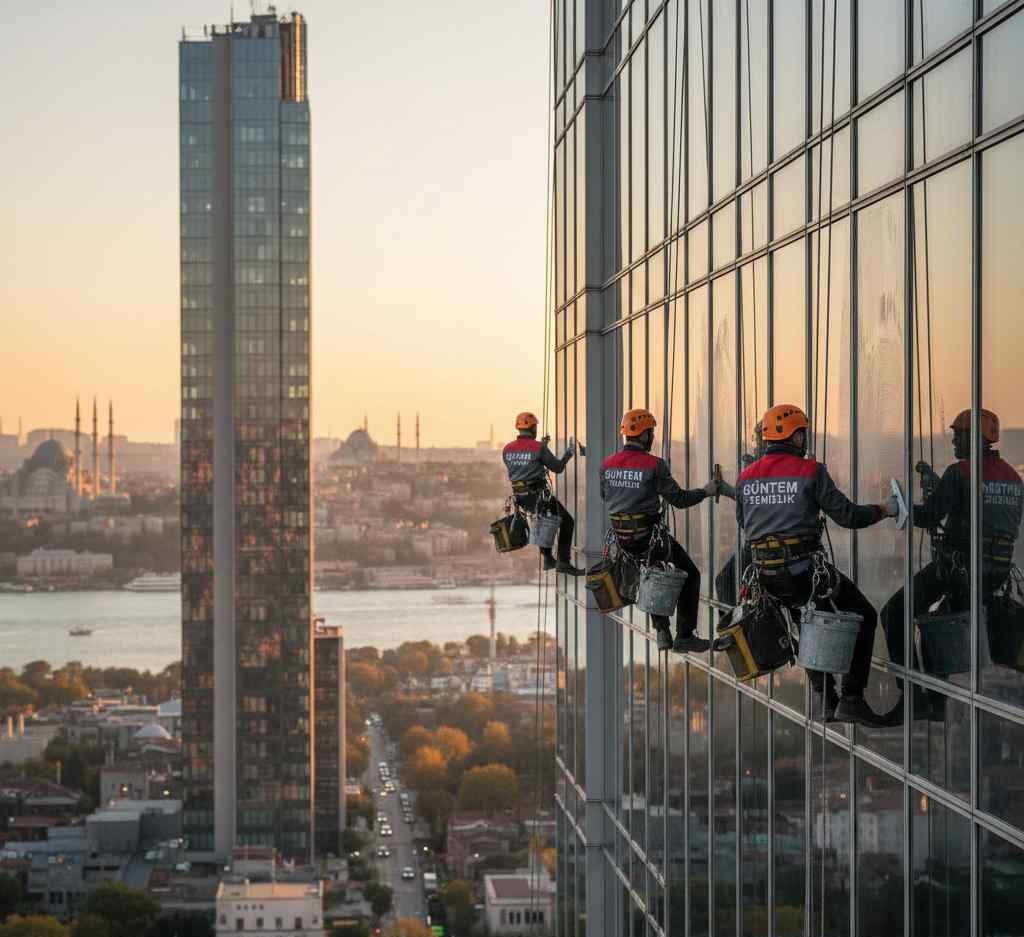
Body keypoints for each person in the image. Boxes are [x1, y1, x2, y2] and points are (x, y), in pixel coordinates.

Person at [732, 403, 899, 726]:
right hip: (804, 571)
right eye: (803, 434)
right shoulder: (810, 471)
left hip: (768, 575)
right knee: (864, 614)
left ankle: (826, 699)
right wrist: (885, 509)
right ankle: (852, 698)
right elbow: (848, 516)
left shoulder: (744, 478)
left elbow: (745, 522)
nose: (805, 440)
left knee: (803, 622)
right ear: (795, 437)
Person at [880, 408, 1023, 723]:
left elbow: (929, 516)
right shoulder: (1014, 478)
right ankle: (936, 703)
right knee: (938, 624)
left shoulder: (960, 473)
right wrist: (942, 488)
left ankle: (913, 699)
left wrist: (896, 508)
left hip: (959, 569)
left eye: (959, 435)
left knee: (894, 612)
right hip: (993, 574)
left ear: (975, 438)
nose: (954, 441)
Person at [600, 408, 719, 654]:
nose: (652, 438)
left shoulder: (607, 465)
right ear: (644, 435)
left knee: (653, 569)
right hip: (648, 537)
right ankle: (685, 635)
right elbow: (679, 500)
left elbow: (606, 496)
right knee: (690, 574)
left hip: (622, 539)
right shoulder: (654, 465)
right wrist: (706, 491)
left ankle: (662, 629)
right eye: (651, 433)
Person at [502, 412, 584, 575]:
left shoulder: (507, 449)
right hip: (537, 495)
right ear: (533, 428)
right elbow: (557, 468)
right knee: (567, 521)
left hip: (521, 497)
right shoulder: (538, 448)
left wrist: (542, 447)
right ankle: (563, 561)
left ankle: (547, 558)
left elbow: (525, 464)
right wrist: (569, 453)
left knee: (542, 519)